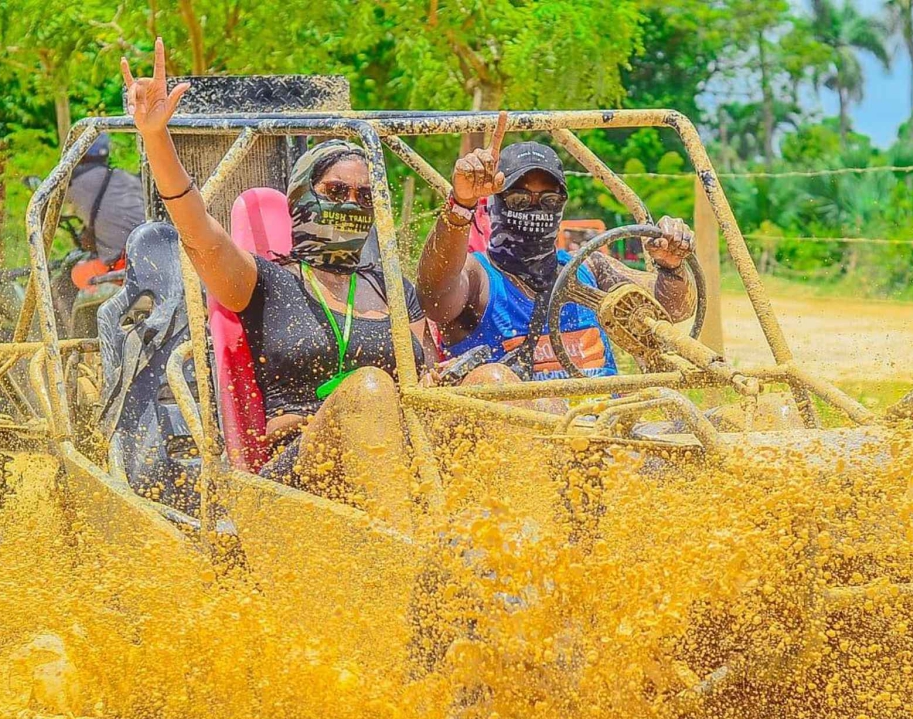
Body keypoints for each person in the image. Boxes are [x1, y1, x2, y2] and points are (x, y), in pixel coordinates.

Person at [122, 38, 515, 530]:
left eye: (364, 196)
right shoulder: (263, 281)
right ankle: (408, 554)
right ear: (301, 196)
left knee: (495, 385)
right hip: (306, 468)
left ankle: (530, 555)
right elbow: (197, 230)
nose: (351, 204)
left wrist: (438, 380)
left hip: (408, 454)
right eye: (335, 191)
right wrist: (157, 137)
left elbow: (421, 384)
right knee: (369, 389)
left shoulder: (394, 292)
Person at [417, 114, 700, 380]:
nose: (535, 209)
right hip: (521, 426)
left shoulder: (590, 270)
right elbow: (433, 296)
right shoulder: (478, 278)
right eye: (519, 200)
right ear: (494, 204)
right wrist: (461, 205)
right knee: (492, 379)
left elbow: (672, 310)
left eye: (549, 200)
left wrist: (671, 265)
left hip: (605, 423)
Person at [65, 133, 147, 271]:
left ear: (79, 155)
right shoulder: (124, 177)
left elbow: (50, 202)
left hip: (120, 263)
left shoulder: (75, 183)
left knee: (72, 272)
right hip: (148, 253)